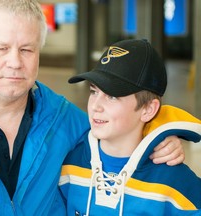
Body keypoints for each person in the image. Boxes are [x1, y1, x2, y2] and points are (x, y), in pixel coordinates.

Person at [0, 1, 184, 215]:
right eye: (2, 48)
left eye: (27, 50)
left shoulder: (64, 120)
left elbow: (120, 126)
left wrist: (157, 134)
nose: (15, 62)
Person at [59, 39, 201, 216]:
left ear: (148, 109)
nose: (96, 106)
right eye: (94, 92)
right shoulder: (69, 163)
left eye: (111, 97)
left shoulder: (173, 180)